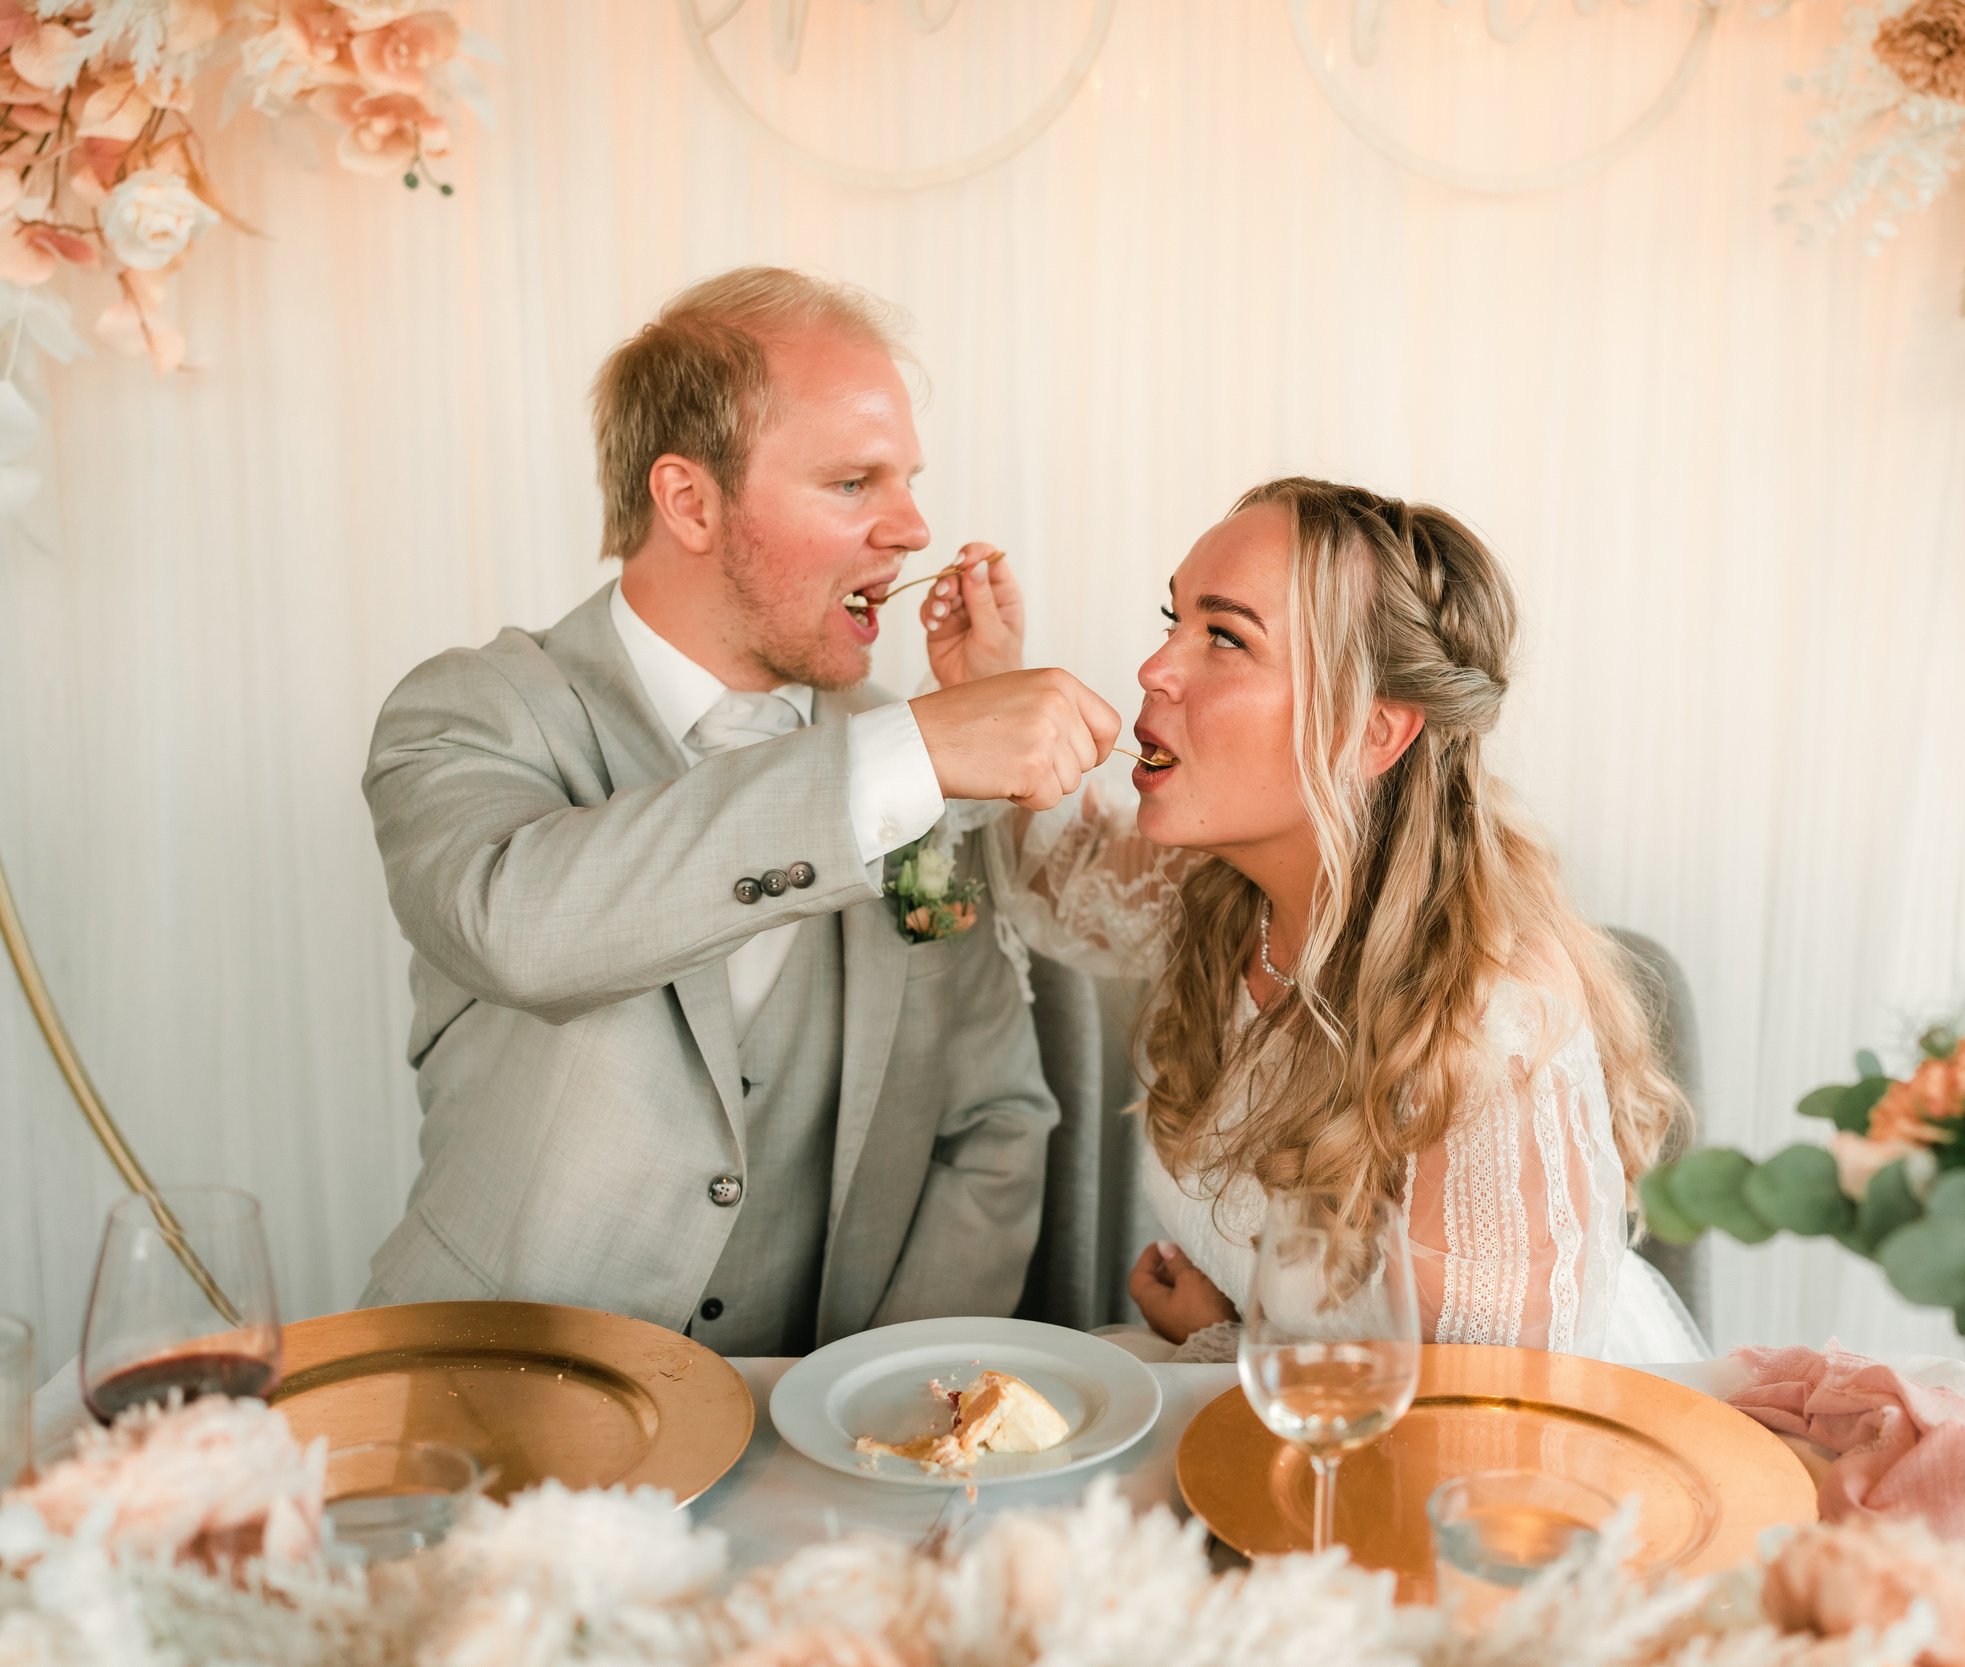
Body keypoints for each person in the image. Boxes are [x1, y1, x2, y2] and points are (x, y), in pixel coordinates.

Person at [359, 267, 1122, 1353]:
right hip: (494, 1398)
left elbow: (991, 1117)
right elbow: (519, 926)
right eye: (855, 482)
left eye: (906, 480)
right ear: (690, 501)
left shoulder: (908, 764)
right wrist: (917, 747)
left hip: (817, 1445)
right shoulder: (471, 709)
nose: (911, 527)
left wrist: (877, 1400)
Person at [919, 476, 1707, 1363]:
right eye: (1171, 620)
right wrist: (986, 687)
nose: (1153, 667)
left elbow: (1483, 1428)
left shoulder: (1490, 1018)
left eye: (1224, 636)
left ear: (1374, 732)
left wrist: (1230, 1335)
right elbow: (1058, 871)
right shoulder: (1216, 896)